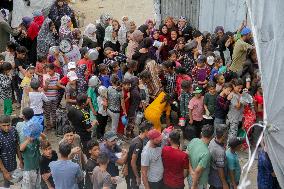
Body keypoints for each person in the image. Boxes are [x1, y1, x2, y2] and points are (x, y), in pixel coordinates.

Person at [18, 107, 43, 189]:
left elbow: (21, 148)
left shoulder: (19, 125)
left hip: (29, 164)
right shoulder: (37, 126)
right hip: (33, 164)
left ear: (23, 116)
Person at [125, 121, 152, 189]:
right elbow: (133, 162)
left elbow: (129, 154)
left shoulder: (136, 139)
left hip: (132, 172)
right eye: (151, 130)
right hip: (133, 174)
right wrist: (137, 177)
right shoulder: (139, 144)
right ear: (146, 130)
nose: (152, 133)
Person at [187, 124, 214, 189]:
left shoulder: (194, 140)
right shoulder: (206, 153)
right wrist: (194, 186)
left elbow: (186, 155)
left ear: (201, 133)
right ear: (212, 136)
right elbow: (197, 171)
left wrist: (190, 170)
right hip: (198, 182)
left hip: (190, 176)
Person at [0, 115, 23, 188]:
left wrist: (21, 160)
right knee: (4, 186)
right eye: (4, 125)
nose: (6, 127)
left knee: (10, 184)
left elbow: (17, 146)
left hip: (13, 165)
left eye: (8, 125)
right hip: (2, 169)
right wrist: (4, 171)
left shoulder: (13, 130)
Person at [208, 125, 229, 189]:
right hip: (218, 178)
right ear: (223, 136)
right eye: (227, 133)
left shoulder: (213, 140)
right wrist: (224, 183)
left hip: (212, 173)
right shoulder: (219, 151)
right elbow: (220, 169)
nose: (228, 135)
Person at [43, 63, 60, 129]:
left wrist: (49, 87)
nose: (48, 73)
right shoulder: (45, 76)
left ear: (54, 70)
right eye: (47, 71)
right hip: (47, 98)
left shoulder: (57, 76)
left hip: (55, 97)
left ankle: (54, 123)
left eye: (49, 71)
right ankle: (48, 124)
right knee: (47, 112)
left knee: (54, 110)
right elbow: (45, 89)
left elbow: (58, 87)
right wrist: (47, 84)